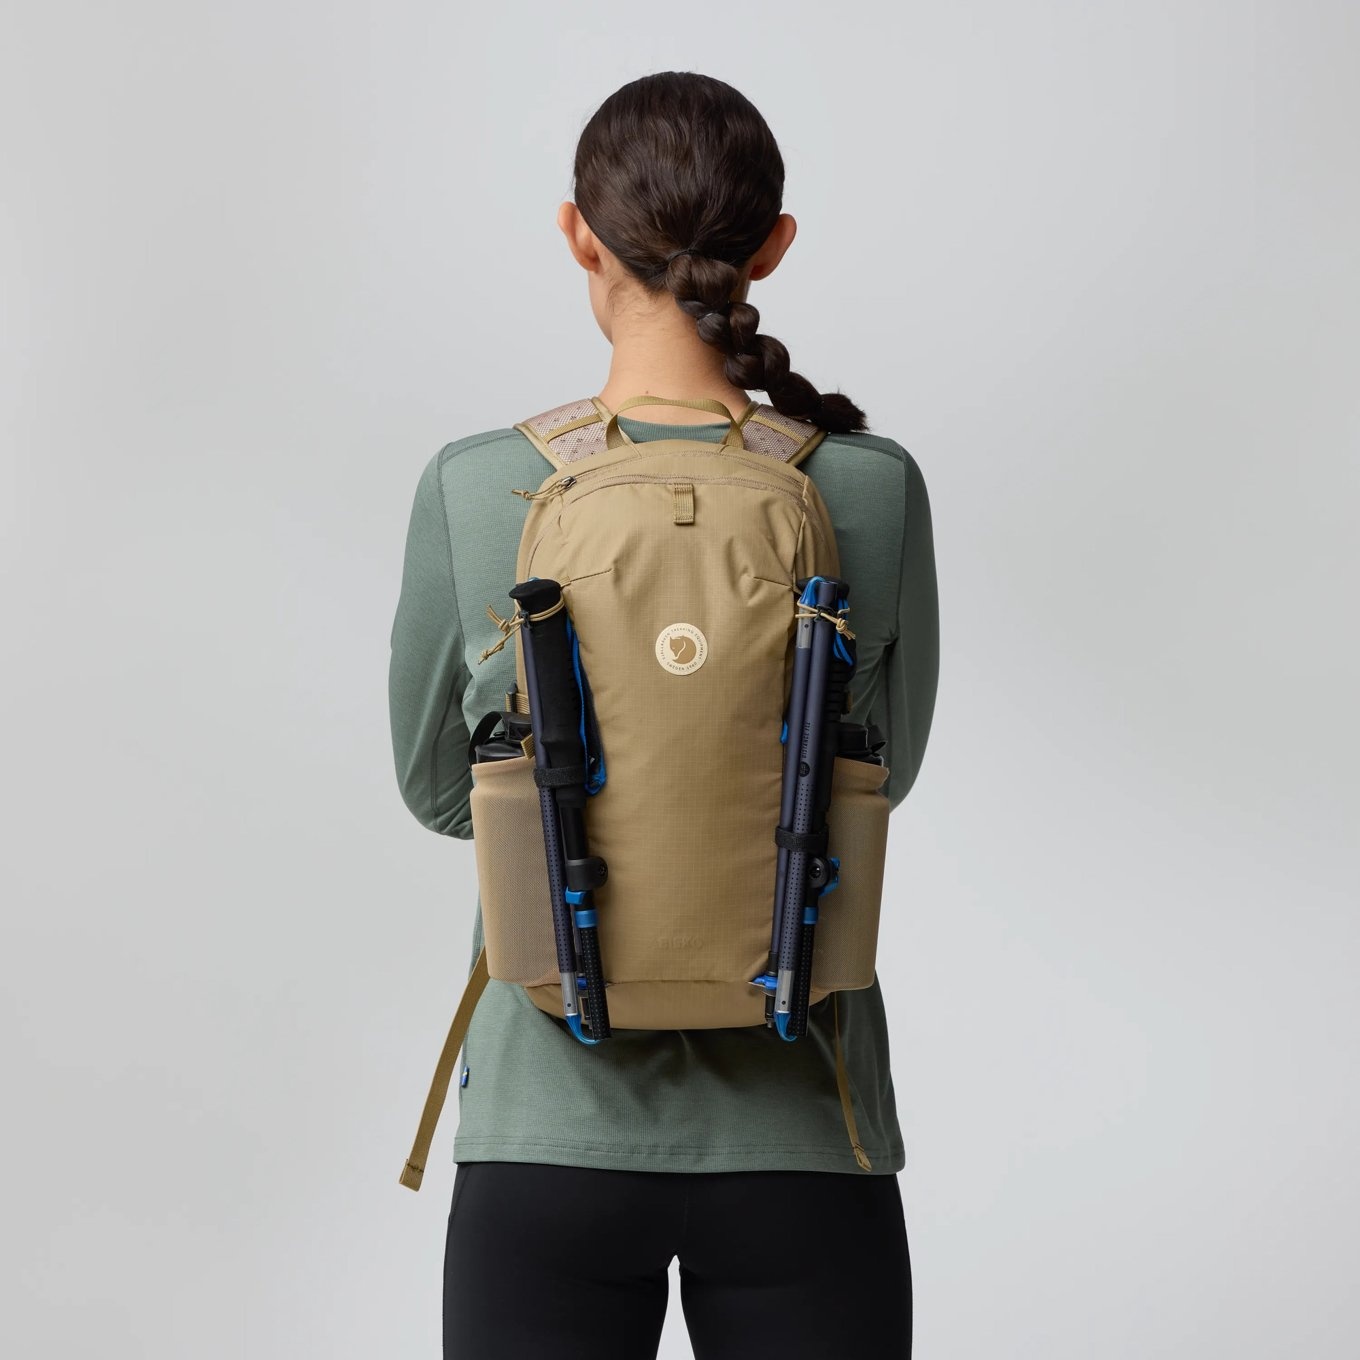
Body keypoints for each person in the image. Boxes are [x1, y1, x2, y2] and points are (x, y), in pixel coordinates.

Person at [389, 70, 939, 1360]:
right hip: (807, 1135)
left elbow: (437, 792)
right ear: (773, 247)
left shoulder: (480, 484)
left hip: (545, 1136)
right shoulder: (868, 485)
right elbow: (884, 775)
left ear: (579, 233)